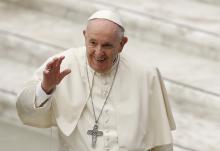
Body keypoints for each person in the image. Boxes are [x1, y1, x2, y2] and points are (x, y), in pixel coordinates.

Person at [16, 10, 176, 151]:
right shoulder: (62, 63)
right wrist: (46, 87)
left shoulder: (146, 75)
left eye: (107, 46)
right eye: (93, 43)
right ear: (84, 36)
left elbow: (161, 141)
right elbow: (26, 114)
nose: (98, 53)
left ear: (122, 44)